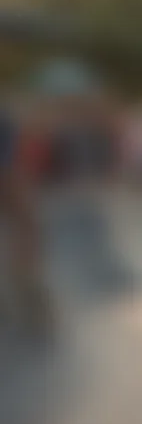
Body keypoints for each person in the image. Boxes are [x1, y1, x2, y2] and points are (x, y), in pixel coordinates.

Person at [0, 108, 52, 333]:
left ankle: (27, 291)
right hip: (8, 175)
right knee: (26, 231)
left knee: (26, 231)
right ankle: (28, 292)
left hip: (8, 173)